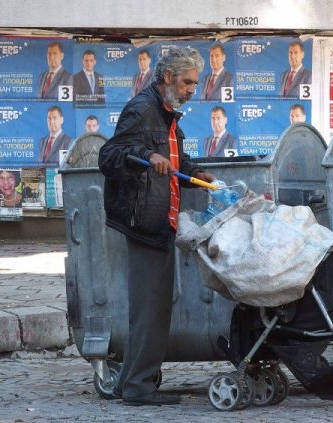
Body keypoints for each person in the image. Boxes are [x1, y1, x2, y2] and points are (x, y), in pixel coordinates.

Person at [98, 46, 215, 406]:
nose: (191, 90)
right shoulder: (143, 108)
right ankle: (138, 387)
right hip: (145, 222)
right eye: (187, 82)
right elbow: (110, 156)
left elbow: (177, 159)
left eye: (195, 84)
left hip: (161, 220)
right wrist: (147, 157)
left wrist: (196, 176)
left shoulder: (166, 113)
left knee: (151, 309)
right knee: (152, 309)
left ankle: (128, 383)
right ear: (168, 77)